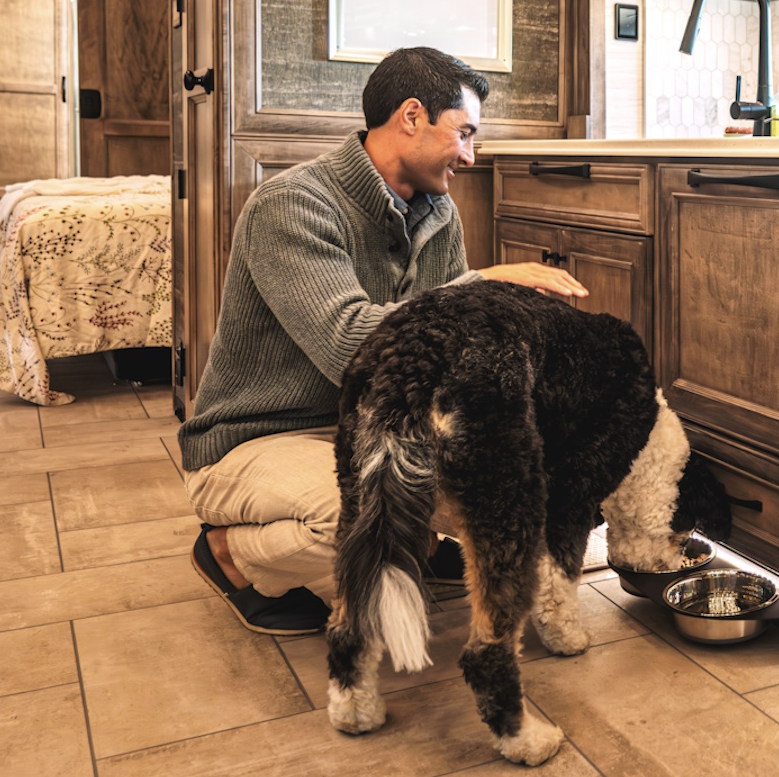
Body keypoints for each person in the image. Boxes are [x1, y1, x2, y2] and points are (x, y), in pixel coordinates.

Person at [178, 47, 586, 636]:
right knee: (379, 513)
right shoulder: (292, 204)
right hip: (257, 438)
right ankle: (228, 554)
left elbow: (450, 353)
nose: (470, 156)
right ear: (412, 116)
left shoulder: (438, 213)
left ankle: (414, 543)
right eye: (464, 133)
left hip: (374, 428)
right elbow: (350, 348)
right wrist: (482, 286)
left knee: (534, 476)